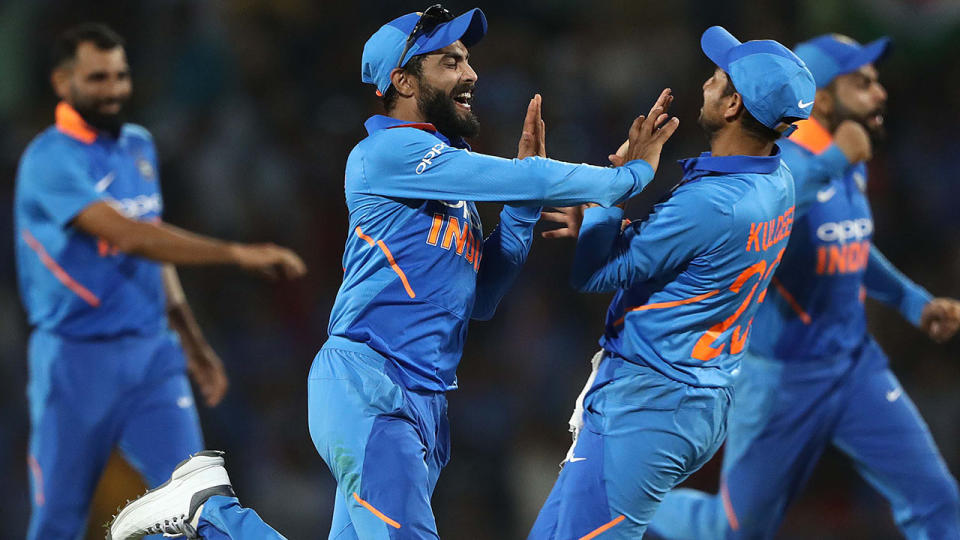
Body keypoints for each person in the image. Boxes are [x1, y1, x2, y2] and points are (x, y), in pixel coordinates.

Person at [108, 5, 680, 539]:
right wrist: (626, 180)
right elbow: (524, 176)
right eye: (450, 61)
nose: (471, 73)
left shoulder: (446, 185)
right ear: (404, 81)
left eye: (468, 59)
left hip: (422, 402)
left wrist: (522, 211)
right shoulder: (388, 156)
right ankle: (213, 514)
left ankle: (208, 511)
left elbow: (481, 298)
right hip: (371, 386)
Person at [647, 34, 960, 540]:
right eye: (863, 83)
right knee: (733, 532)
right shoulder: (778, 164)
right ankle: (623, 500)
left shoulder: (846, 155)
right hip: (782, 381)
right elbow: (776, 217)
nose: (880, 93)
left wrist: (912, 300)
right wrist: (836, 160)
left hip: (854, 365)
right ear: (826, 98)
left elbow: (847, 244)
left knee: (938, 503)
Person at [14, 23, 306, 540]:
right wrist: (235, 254)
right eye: (98, 77)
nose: (114, 89)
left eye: (121, 76)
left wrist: (190, 340)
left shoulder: (138, 145)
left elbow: (151, 244)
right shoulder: (47, 160)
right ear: (63, 82)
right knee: (58, 521)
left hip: (152, 356)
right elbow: (127, 236)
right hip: (75, 361)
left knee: (202, 499)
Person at [529, 26, 815, 539]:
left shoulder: (713, 202)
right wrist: (617, 228)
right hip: (688, 395)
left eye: (717, 78)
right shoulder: (776, 180)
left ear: (732, 106)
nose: (705, 83)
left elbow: (594, 273)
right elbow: (698, 254)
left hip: (654, 402)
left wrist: (616, 186)